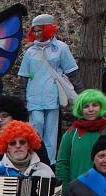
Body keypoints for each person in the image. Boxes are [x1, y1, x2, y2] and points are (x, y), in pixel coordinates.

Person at [18, 14, 81, 163]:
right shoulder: (30, 52)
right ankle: (33, 160)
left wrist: (82, 95)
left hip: (53, 96)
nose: (37, 34)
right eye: (34, 31)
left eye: (40, 30)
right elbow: (23, 77)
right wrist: (21, 100)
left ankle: (50, 164)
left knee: (51, 134)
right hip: (33, 97)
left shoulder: (61, 48)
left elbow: (72, 72)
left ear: (48, 29)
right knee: (35, 127)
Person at [56, 89, 106, 187]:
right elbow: (62, 164)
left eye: (95, 105)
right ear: (80, 109)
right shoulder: (71, 133)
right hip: (78, 192)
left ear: (101, 106)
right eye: (86, 106)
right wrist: (65, 191)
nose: (91, 109)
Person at [0, 95, 51, 166]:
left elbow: (44, 164)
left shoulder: (31, 137)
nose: (0, 120)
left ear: (15, 116)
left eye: (4, 116)